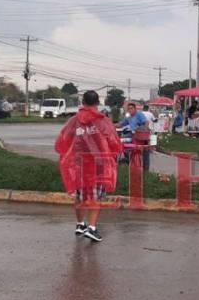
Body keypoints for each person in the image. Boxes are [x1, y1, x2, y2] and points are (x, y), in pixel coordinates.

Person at [55, 90, 123, 243]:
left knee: (80, 195)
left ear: (83, 102)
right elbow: (113, 141)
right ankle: (91, 228)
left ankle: (80, 224)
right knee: (95, 197)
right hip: (97, 165)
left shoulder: (74, 121)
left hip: (78, 165)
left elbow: (62, 140)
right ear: (97, 103)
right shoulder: (103, 121)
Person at [118, 101, 151, 172]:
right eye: (128, 109)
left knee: (145, 152)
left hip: (143, 135)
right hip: (134, 136)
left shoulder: (139, 114)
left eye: (131, 108)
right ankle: (132, 163)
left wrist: (144, 130)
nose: (130, 110)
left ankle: (146, 171)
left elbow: (146, 122)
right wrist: (111, 124)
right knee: (126, 146)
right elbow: (121, 124)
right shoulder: (129, 117)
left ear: (135, 109)